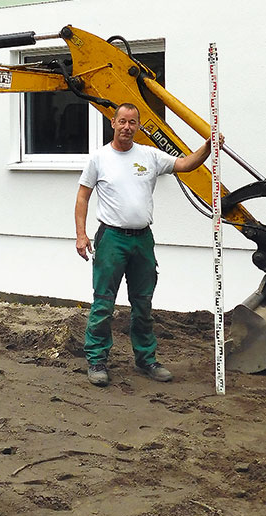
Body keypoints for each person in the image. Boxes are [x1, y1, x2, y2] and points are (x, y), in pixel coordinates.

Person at [74, 102, 220, 387]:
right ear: (113, 123)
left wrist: (208, 146)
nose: (127, 126)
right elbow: (82, 197)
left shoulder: (150, 156)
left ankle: (146, 359)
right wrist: (81, 235)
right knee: (104, 302)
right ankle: (97, 359)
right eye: (122, 121)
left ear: (139, 126)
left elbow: (185, 165)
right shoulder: (99, 159)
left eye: (133, 122)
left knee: (143, 303)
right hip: (111, 239)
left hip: (142, 240)